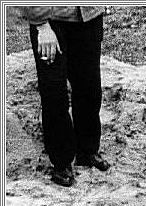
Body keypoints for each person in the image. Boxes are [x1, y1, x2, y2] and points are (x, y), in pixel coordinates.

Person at [25, 6, 110, 187]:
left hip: (88, 17)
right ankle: (61, 162)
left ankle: (87, 151)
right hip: (52, 20)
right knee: (54, 93)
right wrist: (41, 25)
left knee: (89, 86)